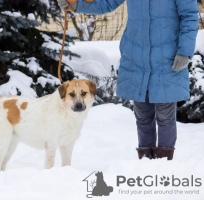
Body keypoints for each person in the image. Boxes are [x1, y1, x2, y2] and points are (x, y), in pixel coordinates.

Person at [57, 0, 199, 160]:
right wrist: (77, 5)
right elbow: (107, 3)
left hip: (167, 59)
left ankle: (164, 163)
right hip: (136, 57)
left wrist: (185, 51)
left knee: (165, 116)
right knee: (142, 115)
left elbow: (190, 16)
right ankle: (145, 161)